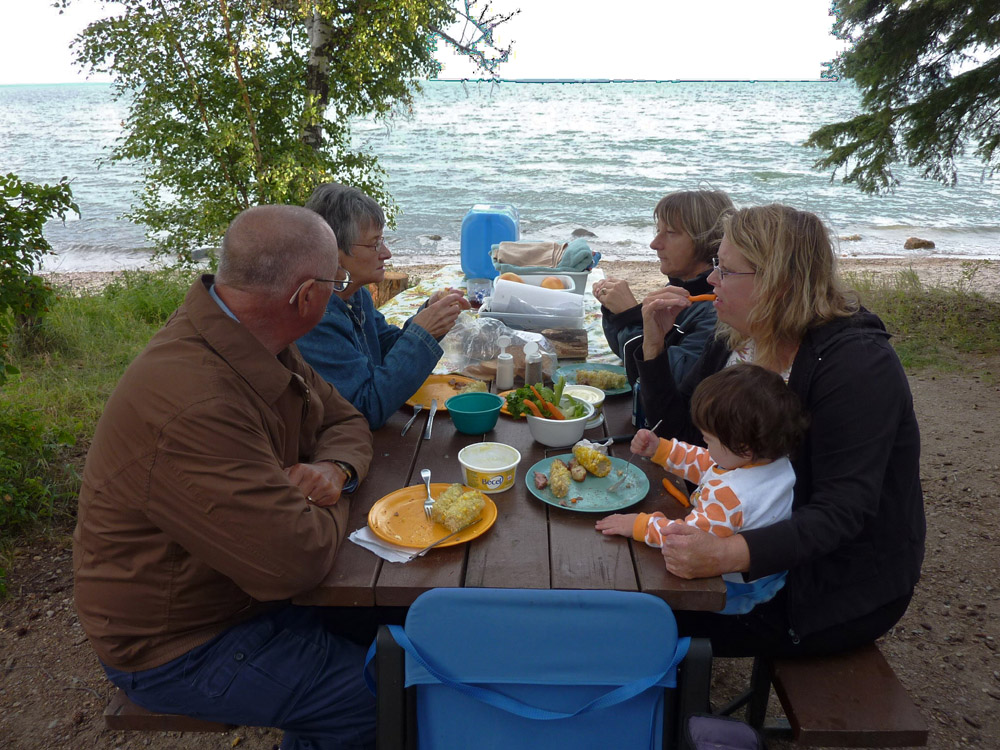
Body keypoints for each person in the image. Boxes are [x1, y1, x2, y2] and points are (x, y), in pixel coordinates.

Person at [73, 205, 376, 749]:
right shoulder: (195, 402)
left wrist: (336, 470)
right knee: (378, 696)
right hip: (182, 645)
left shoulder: (254, 338)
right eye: (335, 283)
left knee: (405, 626)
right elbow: (297, 560)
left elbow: (345, 419)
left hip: (239, 596)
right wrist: (331, 500)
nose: (338, 293)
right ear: (306, 296)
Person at [630, 204, 925, 658]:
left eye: (725, 270)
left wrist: (727, 555)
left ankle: (669, 719)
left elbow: (843, 511)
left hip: (823, 587)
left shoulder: (856, 366)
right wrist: (653, 345)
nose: (710, 280)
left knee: (633, 615)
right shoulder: (738, 339)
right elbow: (684, 433)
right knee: (620, 583)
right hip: (745, 538)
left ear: (778, 282)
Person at [596, 364, 808, 615]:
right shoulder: (773, 460)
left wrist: (639, 526)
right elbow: (710, 463)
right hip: (771, 575)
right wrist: (661, 449)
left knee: (647, 597)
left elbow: (685, 541)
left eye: (708, 439)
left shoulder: (727, 496)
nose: (704, 443)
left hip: (733, 591)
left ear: (742, 447)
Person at [297, 183, 470, 429]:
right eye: (374, 243)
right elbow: (366, 409)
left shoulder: (354, 295)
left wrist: (431, 316)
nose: (386, 253)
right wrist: (424, 333)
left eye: (383, 240)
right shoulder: (315, 319)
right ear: (333, 251)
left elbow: (385, 351)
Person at [592, 189, 734, 383]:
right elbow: (627, 354)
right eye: (658, 231)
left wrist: (630, 316)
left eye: (670, 233)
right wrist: (615, 311)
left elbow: (663, 381)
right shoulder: (683, 290)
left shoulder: (716, 311)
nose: (654, 243)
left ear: (706, 240)